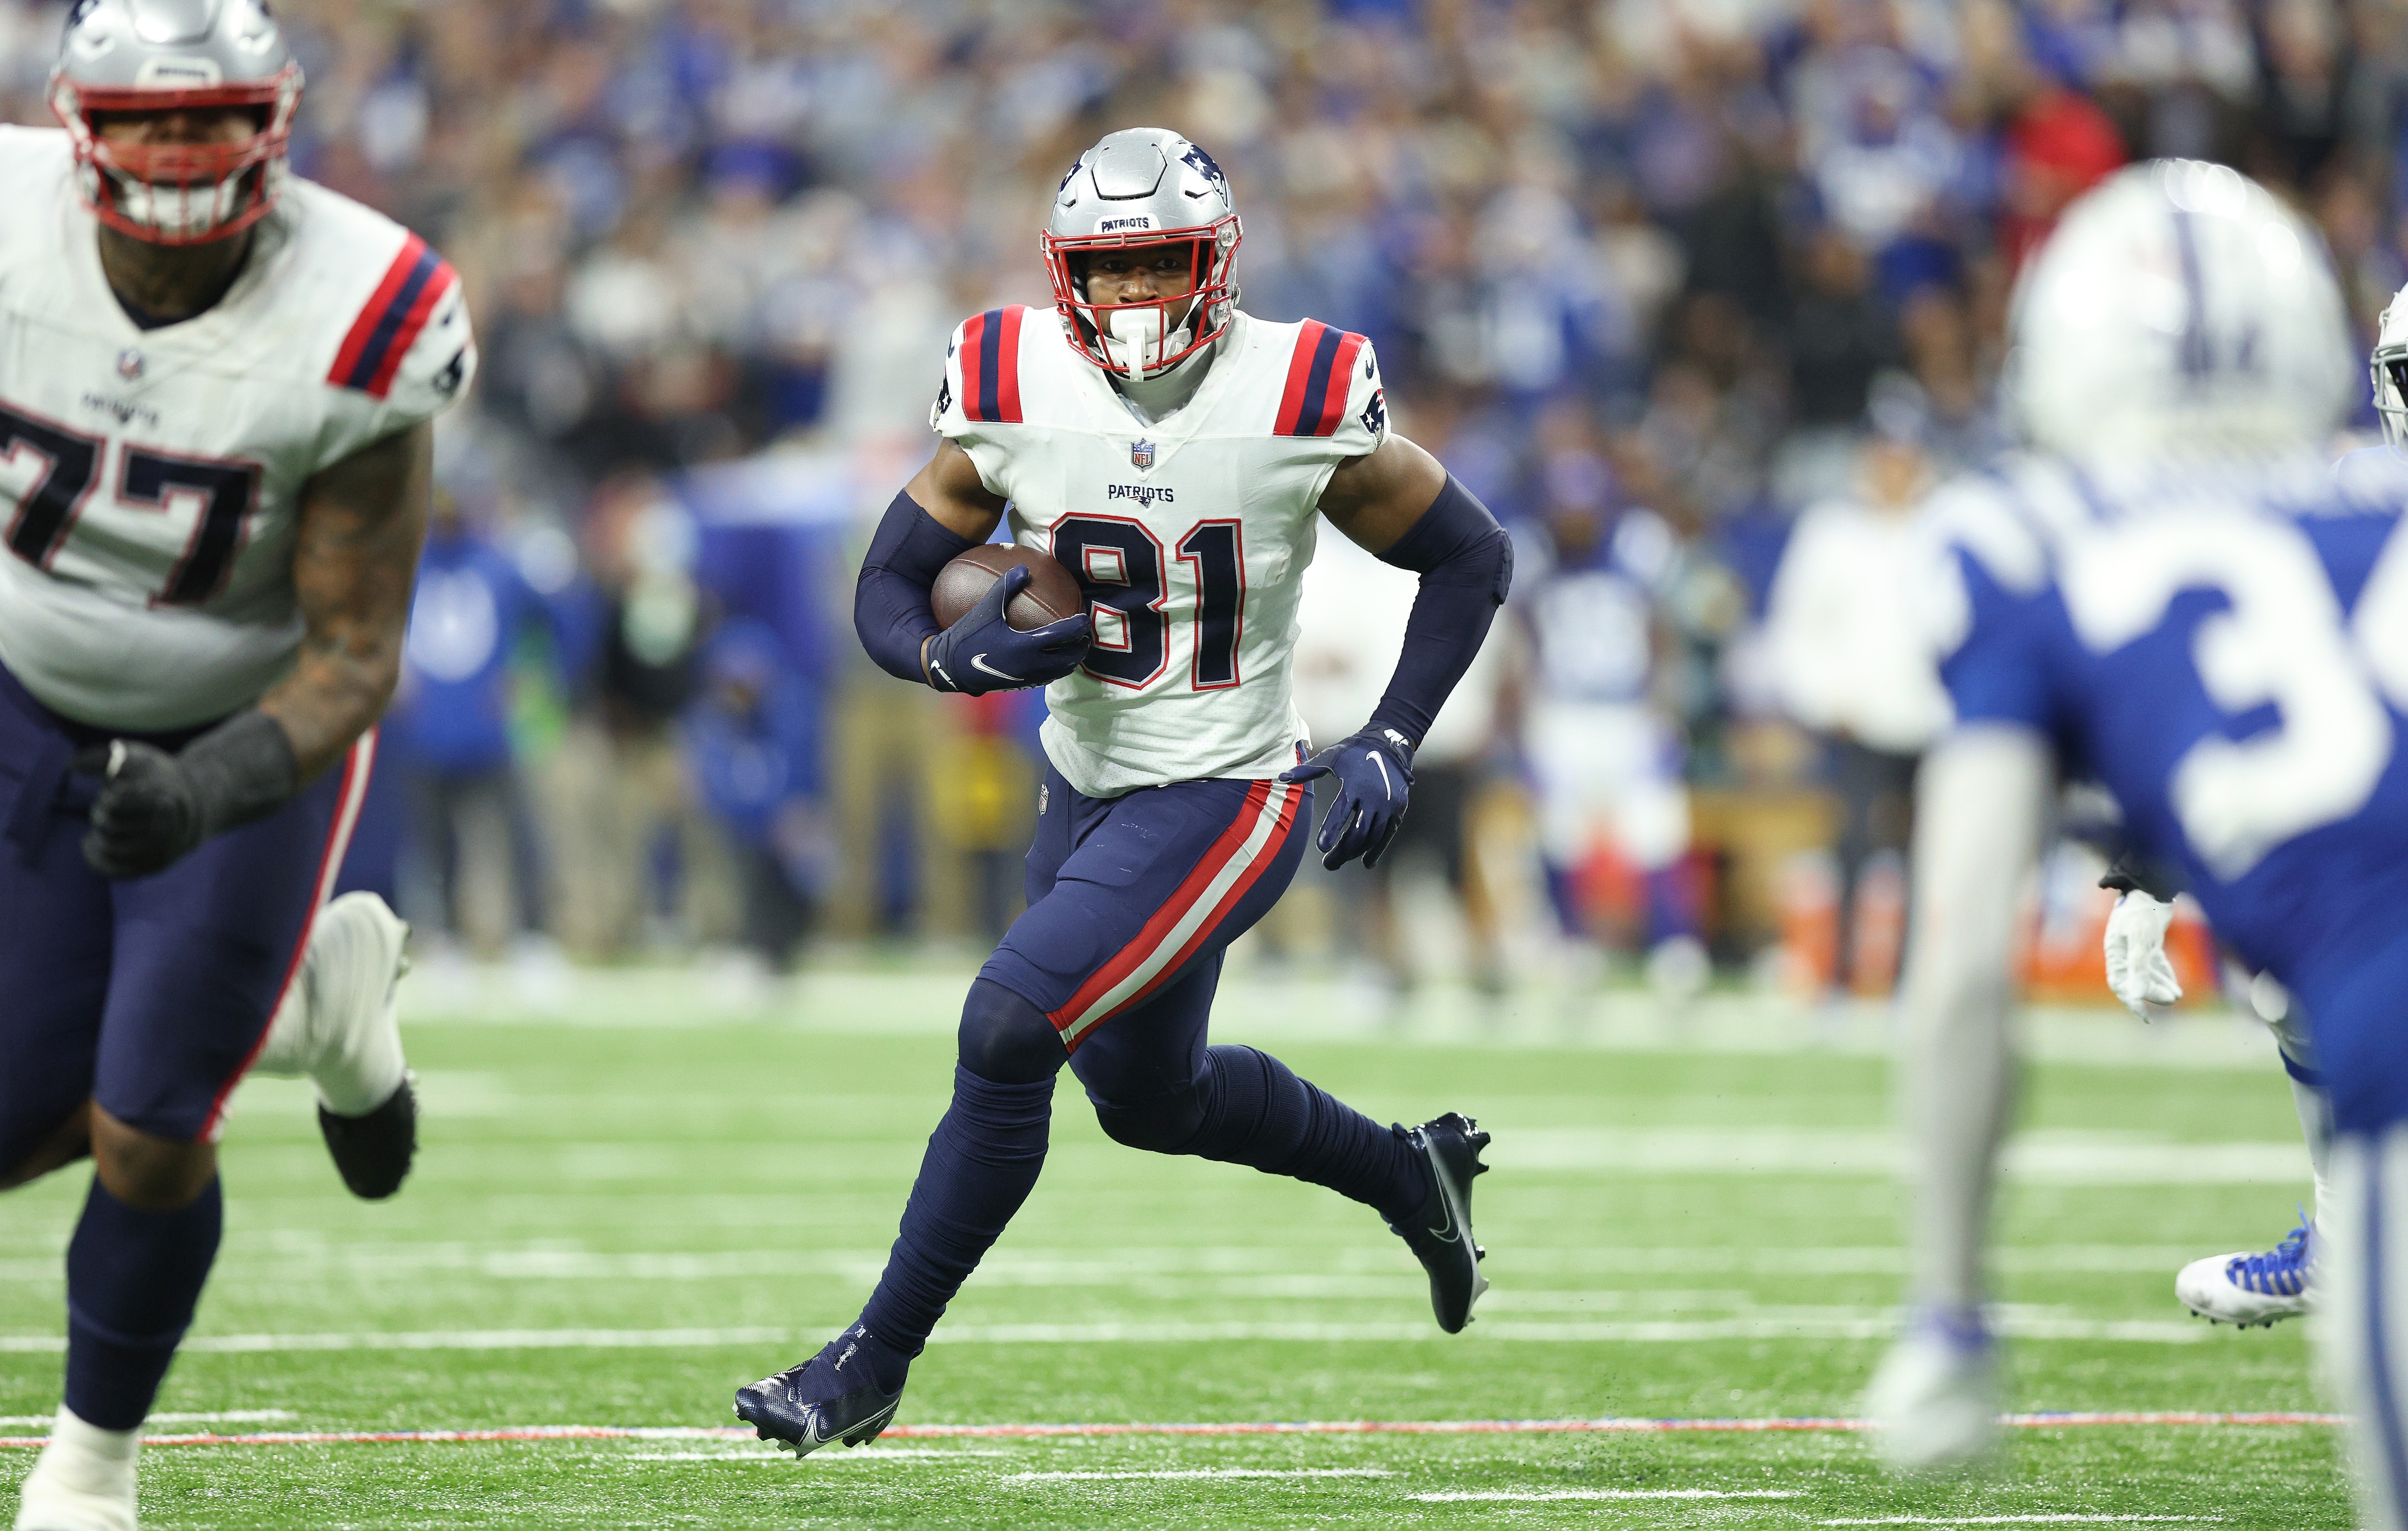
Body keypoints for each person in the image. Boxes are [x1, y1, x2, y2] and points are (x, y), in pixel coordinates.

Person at [734, 128, 1514, 1455]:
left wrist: (1392, 731)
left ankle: (869, 1360)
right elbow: (885, 580)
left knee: (1006, 1025)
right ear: (1065, 274)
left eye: (1164, 263)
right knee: (1156, 1105)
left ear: (1215, 263)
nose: (1142, 296)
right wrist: (939, 653)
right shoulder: (1009, 374)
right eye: (1115, 268)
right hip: (1083, 784)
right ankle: (1409, 1173)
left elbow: (1471, 555)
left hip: (1229, 789)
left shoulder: (1303, 385)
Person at [1860, 161, 2407, 1503]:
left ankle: (2340, 1227)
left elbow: (1963, 974)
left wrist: (1948, 1309)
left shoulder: (2025, 538)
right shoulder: (2367, 505)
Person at [0, 3, 473, 1526]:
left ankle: (91, 1462)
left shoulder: (363, 304)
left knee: (146, 1124)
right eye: (144, 118)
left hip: (237, 719)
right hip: (18, 678)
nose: (175, 151)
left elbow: (353, 650)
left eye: (205, 115)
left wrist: (206, 788)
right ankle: (298, 1016)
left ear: (272, 122)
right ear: (78, 122)